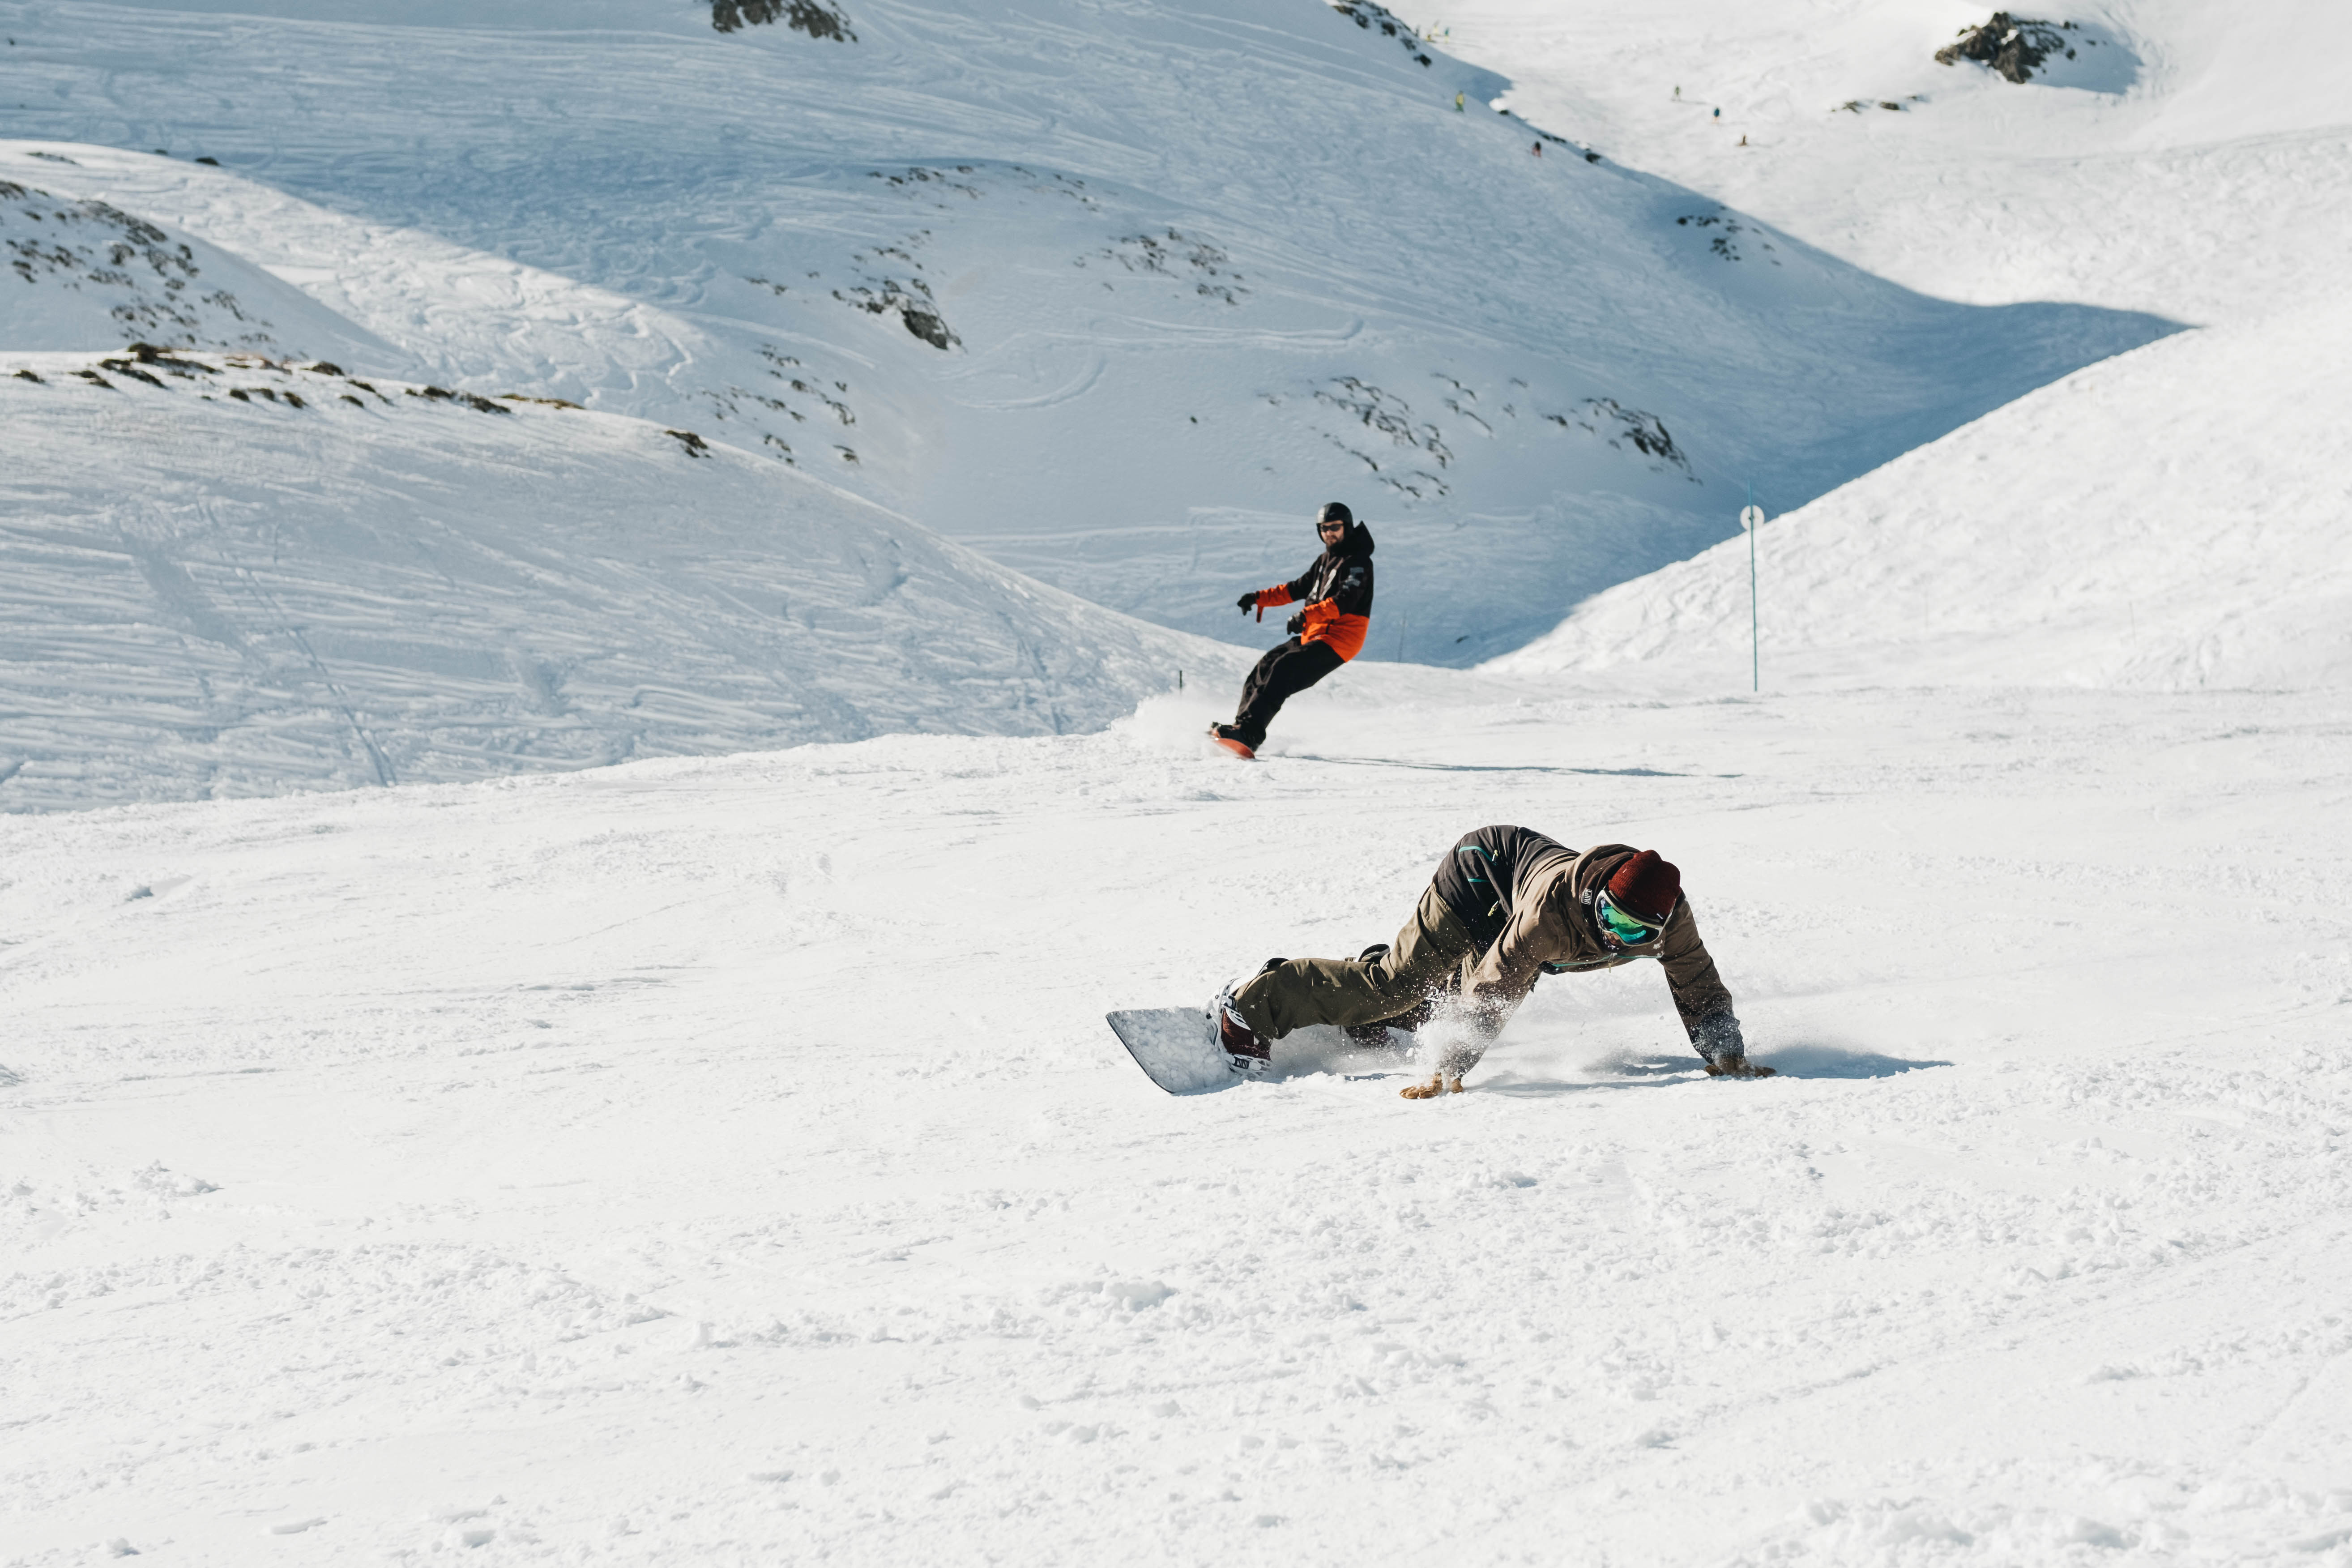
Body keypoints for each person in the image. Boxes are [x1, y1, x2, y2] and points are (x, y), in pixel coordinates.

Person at [1213, 827, 1772, 1098]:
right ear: (1594, 895)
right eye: (1611, 917)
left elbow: (1697, 981)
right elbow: (1493, 990)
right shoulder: (1549, 915)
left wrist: (1724, 1050)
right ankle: (1251, 1004)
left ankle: (1367, 1019)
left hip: (1514, 903)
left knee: (1436, 1002)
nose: (1615, 936)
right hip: (1480, 878)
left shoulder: (1672, 920)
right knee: (1398, 984)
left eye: (1634, 933)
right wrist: (1447, 1067)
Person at [1208, 502, 1374, 759]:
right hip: (1315, 634)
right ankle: (1241, 729)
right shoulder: (1325, 560)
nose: (1329, 533)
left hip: (1340, 639)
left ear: (1348, 527)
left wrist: (1306, 615)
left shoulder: (1358, 562)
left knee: (1284, 668)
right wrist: (1258, 598)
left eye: (1335, 527)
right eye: (1324, 528)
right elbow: (1297, 588)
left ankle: (1250, 734)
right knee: (1267, 664)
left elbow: (1346, 601)